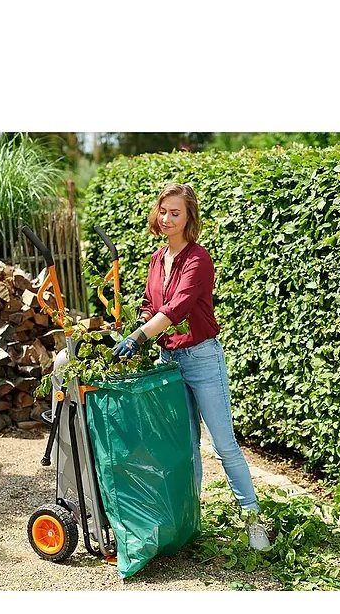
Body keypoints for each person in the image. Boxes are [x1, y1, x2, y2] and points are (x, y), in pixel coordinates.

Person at [112, 182, 271, 550]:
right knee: (185, 447)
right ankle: (190, 522)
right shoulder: (157, 259)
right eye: (163, 211)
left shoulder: (199, 259)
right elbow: (151, 305)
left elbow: (177, 307)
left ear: (188, 218)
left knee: (224, 446)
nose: (167, 219)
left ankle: (254, 522)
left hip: (202, 359)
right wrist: (138, 322)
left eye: (176, 213)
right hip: (169, 362)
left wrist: (138, 337)